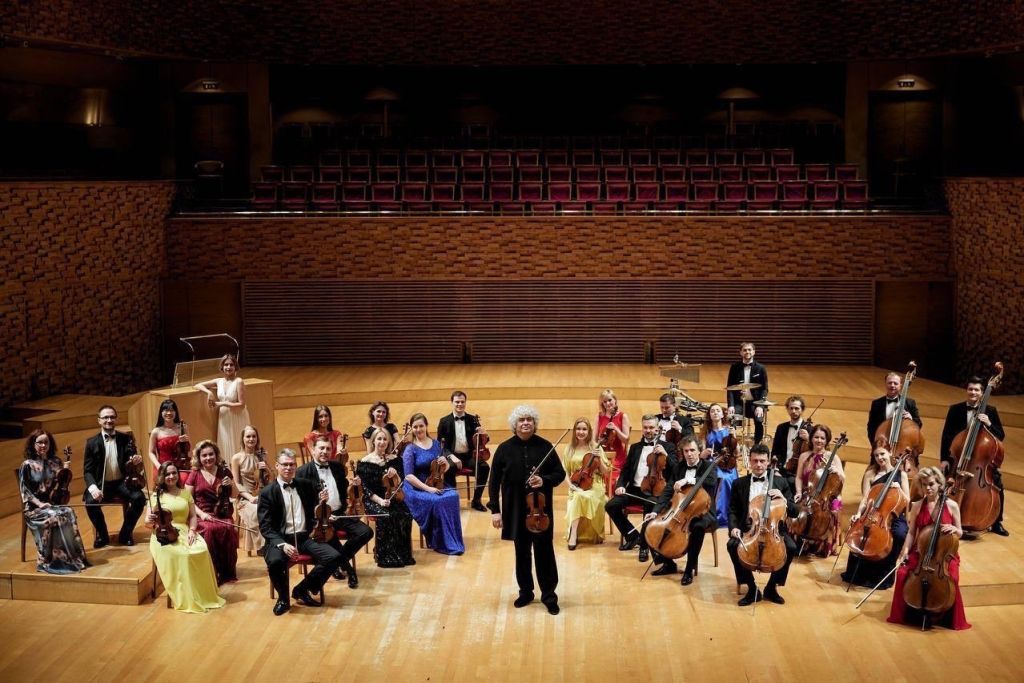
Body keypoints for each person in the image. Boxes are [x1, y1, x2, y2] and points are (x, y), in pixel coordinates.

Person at [489, 404, 566, 614]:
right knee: (521, 553)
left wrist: (544, 480)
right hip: (515, 510)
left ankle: (549, 595)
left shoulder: (545, 446)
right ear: (515, 424)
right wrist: (495, 510)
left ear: (534, 423)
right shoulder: (504, 449)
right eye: (521, 420)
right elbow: (493, 482)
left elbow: (560, 474)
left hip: (541, 512)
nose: (525, 423)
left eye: (529, 420)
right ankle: (526, 592)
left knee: (544, 553)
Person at [258, 449, 344, 616]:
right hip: (280, 540)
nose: (288, 468)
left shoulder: (305, 485)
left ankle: (302, 589)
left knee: (334, 557)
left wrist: (323, 502)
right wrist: (282, 545)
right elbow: (266, 527)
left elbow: (316, 506)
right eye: (285, 464)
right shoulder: (267, 492)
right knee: (275, 562)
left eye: (292, 464)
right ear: (277, 466)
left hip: (304, 537)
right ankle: (283, 599)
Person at [887, 466, 970, 630]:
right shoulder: (917, 505)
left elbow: (960, 532)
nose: (928, 488)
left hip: (944, 554)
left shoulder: (952, 505)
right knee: (902, 573)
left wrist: (954, 529)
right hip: (922, 551)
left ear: (939, 484)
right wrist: (904, 551)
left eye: (931, 484)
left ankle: (943, 615)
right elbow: (911, 533)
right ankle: (907, 615)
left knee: (952, 578)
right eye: (924, 485)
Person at [146, 461, 224, 613]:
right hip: (163, 535)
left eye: (174, 473)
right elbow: (147, 523)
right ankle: (187, 596)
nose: (171, 476)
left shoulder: (185, 494)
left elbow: (193, 516)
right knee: (183, 555)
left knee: (202, 550)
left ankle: (202, 595)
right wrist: (149, 520)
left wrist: (192, 530)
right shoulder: (156, 496)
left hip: (185, 531)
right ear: (162, 477)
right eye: (167, 474)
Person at [296, 435, 374, 586]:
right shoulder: (302, 472)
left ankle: (337, 563)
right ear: (313, 450)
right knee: (333, 541)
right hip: (320, 519)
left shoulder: (337, 467)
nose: (324, 451)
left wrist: (355, 485)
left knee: (366, 532)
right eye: (321, 448)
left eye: (328, 449)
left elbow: (345, 491)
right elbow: (302, 502)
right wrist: (319, 505)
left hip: (340, 514)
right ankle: (349, 570)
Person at [727, 444, 797, 606]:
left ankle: (772, 587)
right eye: (755, 461)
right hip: (749, 529)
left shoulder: (781, 482)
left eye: (762, 461)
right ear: (749, 461)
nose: (758, 465)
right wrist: (734, 527)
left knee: (791, 547)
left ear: (768, 462)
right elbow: (733, 510)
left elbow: (795, 511)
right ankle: (752, 588)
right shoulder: (739, 483)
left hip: (774, 529)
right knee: (732, 545)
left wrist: (784, 499)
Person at [642, 435, 717, 585]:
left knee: (697, 527)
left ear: (699, 451)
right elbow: (668, 491)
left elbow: (711, 481)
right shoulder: (679, 467)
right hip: (679, 510)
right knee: (649, 525)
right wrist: (655, 511)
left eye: (692, 450)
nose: (689, 454)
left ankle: (689, 569)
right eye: (686, 451)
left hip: (702, 511)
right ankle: (667, 563)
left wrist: (688, 480)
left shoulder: (708, 466)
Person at [939, 375, 1008, 536]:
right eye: (970, 389)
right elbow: (946, 436)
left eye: (976, 390)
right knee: (945, 482)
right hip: (960, 460)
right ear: (966, 390)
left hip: (981, 462)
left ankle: (996, 522)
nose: (973, 392)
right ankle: (945, 517)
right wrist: (944, 459)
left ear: (982, 393)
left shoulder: (990, 411)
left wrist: (989, 423)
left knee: (998, 484)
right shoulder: (955, 409)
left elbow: (1000, 435)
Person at [605, 415, 677, 563]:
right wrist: (620, 486)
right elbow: (625, 470)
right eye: (645, 427)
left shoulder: (668, 447)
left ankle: (644, 546)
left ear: (657, 429)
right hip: (635, 489)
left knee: (649, 506)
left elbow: (677, 470)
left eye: (651, 427)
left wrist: (665, 454)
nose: (648, 430)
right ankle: (633, 536)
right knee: (611, 506)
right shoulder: (635, 447)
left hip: (654, 491)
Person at [18, 430, 90, 574]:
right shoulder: (27, 465)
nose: (43, 445)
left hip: (52, 504)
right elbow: (25, 491)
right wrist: (40, 504)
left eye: (46, 442)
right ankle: (51, 559)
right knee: (54, 516)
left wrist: (65, 472)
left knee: (68, 512)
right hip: (34, 508)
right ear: (33, 444)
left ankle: (72, 557)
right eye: (40, 442)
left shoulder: (56, 462)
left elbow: (59, 484)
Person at [841, 445, 910, 589]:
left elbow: (907, 500)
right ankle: (857, 574)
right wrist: (858, 514)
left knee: (899, 534)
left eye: (882, 454)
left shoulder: (901, 475)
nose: (880, 458)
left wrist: (899, 489)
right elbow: (865, 499)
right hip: (872, 513)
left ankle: (883, 577)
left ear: (890, 453)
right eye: (876, 455)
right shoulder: (870, 475)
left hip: (893, 514)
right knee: (860, 530)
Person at [82, 405, 146, 547]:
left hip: (122, 483)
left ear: (116, 419)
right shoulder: (92, 443)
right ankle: (103, 535)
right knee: (90, 502)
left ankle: (125, 534)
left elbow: (132, 460)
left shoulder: (126, 438)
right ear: (99, 420)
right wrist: (93, 488)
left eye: (112, 417)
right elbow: (87, 471)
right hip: (101, 484)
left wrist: (136, 461)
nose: (109, 420)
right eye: (105, 417)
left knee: (139, 498)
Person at [402, 413, 465, 554]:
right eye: (415, 427)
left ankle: (452, 538)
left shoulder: (436, 444)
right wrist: (428, 489)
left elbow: (443, 469)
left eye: (421, 426)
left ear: (426, 426)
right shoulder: (410, 449)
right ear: (412, 429)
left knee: (453, 496)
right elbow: (409, 476)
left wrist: (446, 464)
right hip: (416, 488)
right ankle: (438, 540)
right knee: (437, 501)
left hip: (435, 483)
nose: (418, 429)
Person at [357, 428, 415, 568]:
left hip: (391, 496)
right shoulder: (365, 462)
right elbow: (365, 490)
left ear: (388, 442)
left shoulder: (395, 460)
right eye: (379, 439)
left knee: (405, 514)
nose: (382, 442)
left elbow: (401, 483)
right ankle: (385, 555)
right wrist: (380, 501)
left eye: (385, 439)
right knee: (386, 515)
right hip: (373, 499)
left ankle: (402, 553)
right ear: (373, 441)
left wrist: (396, 475)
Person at [184, 440, 239, 584]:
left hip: (222, 513)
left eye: (211, 454)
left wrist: (231, 484)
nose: (208, 458)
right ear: (199, 457)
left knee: (229, 528)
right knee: (209, 530)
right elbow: (188, 500)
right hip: (201, 514)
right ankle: (212, 571)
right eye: (204, 455)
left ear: (216, 455)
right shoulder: (195, 474)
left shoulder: (224, 471)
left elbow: (234, 495)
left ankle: (227, 572)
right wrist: (202, 514)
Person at [793, 424, 845, 556]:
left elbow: (842, 479)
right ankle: (801, 539)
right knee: (797, 507)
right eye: (816, 437)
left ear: (827, 441)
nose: (819, 441)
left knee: (835, 508)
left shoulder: (833, 457)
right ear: (811, 438)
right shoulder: (804, 456)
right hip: (809, 493)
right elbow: (799, 477)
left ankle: (825, 545)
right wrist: (798, 492)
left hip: (828, 496)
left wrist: (836, 471)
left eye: (822, 438)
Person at [436, 391, 490, 511]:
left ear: (465, 402)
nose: (460, 404)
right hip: (452, 456)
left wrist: (484, 434)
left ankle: (476, 500)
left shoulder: (473, 419)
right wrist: (451, 457)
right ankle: (453, 501)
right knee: (448, 467)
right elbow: (440, 444)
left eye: (462, 402)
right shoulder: (444, 421)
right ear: (452, 402)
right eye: (457, 402)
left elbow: (482, 441)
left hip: (470, 456)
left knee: (484, 467)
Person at [562, 417, 610, 548]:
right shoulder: (569, 448)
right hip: (576, 483)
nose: (581, 432)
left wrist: (599, 459)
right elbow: (565, 471)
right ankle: (574, 534)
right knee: (578, 495)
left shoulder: (595, 447)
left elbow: (606, 472)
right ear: (574, 431)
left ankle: (575, 534)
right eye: (578, 429)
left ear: (589, 431)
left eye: (584, 429)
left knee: (579, 496)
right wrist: (571, 486)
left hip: (595, 485)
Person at [194, 354, 251, 458]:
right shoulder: (218, 381)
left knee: (238, 443)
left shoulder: (239, 381)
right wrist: (209, 392)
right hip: (224, 418)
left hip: (237, 417)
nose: (228, 367)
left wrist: (223, 403)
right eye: (226, 365)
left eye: (231, 365)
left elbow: (241, 405)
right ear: (222, 367)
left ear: (235, 367)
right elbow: (197, 385)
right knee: (225, 444)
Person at [230, 425, 268, 555]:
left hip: (261, 494)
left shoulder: (261, 456)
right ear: (243, 438)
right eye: (248, 436)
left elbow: (270, 478)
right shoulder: (237, 458)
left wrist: (266, 467)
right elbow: (236, 483)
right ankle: (262, 545)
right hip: (245, 497)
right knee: (257, 510)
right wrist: (250, 497)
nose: (251, 439)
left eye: (254, 436)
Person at [701, 403, 738, 527]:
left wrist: (734, 437)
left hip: (727, 464)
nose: (715, 412)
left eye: (718, 410)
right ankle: (714, 515)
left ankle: (727, 516)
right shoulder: (706, 432)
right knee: (716, 478)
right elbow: (701, 453)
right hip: (712, 462)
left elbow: (736, 453)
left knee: (727, 479)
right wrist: (705, 453)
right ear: (709, 415)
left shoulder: (729, 430)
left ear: (722, 415)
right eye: (712, 411)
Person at [726, 341, 768, 444]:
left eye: (749, 350)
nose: (747, 352)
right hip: (739, 403)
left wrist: (760, 406)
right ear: (740, 352)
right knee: (731, 419)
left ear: (754, 352)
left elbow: (765, 389)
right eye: (744, 350)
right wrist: (731, 405)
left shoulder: (761, 368)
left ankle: (757, 444)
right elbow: (730, 388)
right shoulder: (734, 367)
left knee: (759, 420)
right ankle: (732, 444)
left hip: (755, 403)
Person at [866, 371, 922, 445]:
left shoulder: (910, 403)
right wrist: (875, 445)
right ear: (885, 384)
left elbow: (919, 424)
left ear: (900, 385)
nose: (892, 385)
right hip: (882, 444)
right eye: (890, 383)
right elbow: (871, 427)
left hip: (903, 444)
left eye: (895, 383)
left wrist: (911, 419)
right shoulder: (876, 403)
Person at [770, 395, 810, 487]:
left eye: (797, 408)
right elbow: (775, 451)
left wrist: (808, 439)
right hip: (781, 469)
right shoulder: (781, 428)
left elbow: (816, 453)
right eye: (791, 408)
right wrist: (775, 470)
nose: (793, 411)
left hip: (798, 472)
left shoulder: (809, 429)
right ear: (787, 409)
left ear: (802, 410)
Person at [147, 398, 189, 485]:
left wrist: (185, 441)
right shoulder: (156, 431)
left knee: (185, 479)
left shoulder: (182, 428)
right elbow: (151, 452)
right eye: (166, 410)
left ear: (176, 412)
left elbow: (188, 449)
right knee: (165, 480)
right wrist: (159, 466)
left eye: (172, 410)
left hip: (180, 466)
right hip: (163, 466)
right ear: (161, 413)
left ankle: (186, 494)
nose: (169, 413)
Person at [596, 388, 631, 474]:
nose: (607, 403)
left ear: (615, 400)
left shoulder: (623, 416)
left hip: (617, 456)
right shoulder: (599, 416)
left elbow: (626, 440)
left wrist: (616, 429)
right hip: (602, 454)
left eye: (609, 400)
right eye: (604, 402)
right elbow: (594, 439)